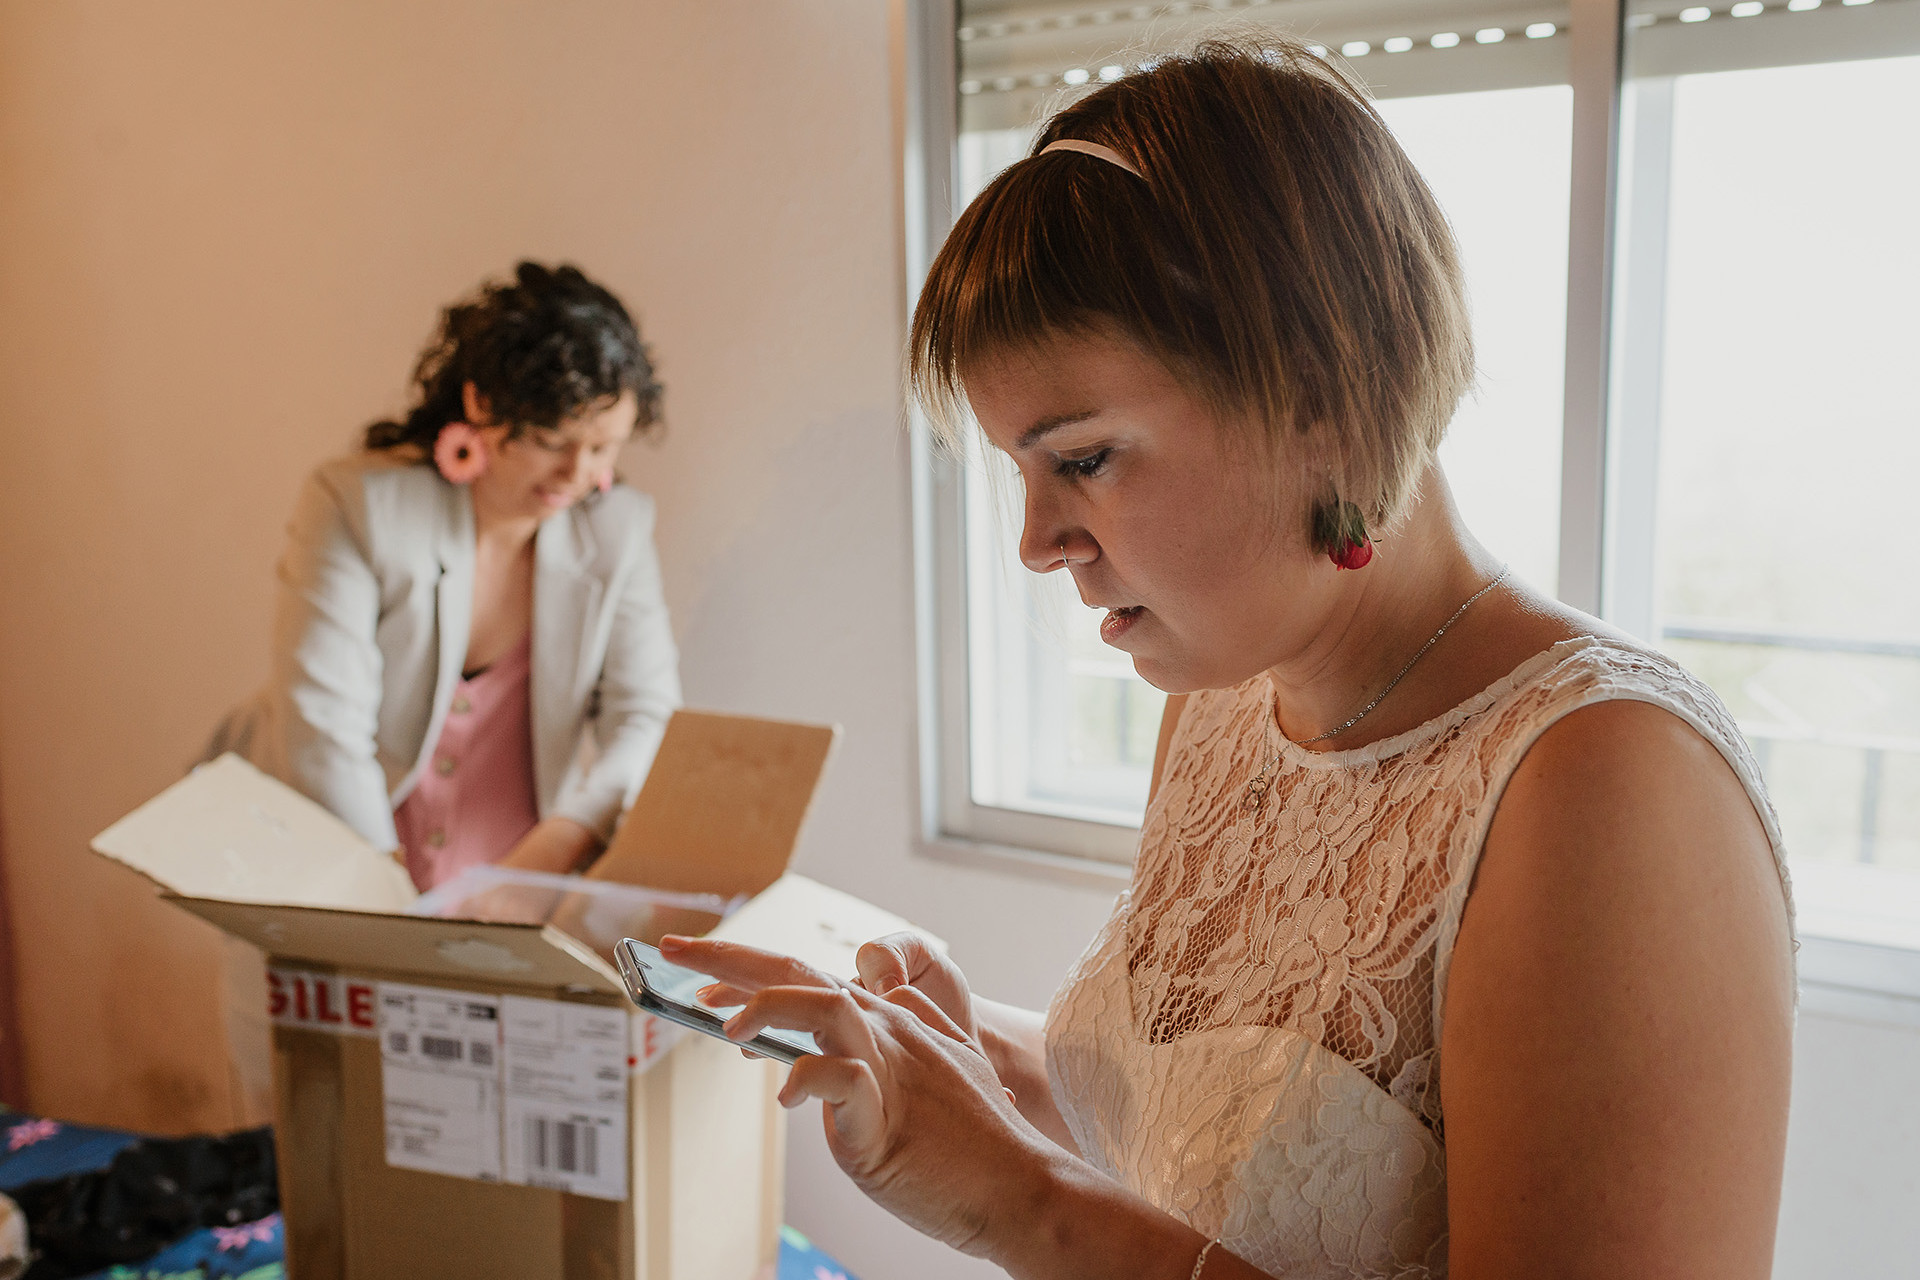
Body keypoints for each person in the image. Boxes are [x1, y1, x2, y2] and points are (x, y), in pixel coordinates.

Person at [664, 38, 1796, 1280]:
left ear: (1318, 395)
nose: (1037, 543)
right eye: (1020, 472)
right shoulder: (1223, 707)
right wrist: (962, 1055)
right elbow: (1225, 1148)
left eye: (1084, 459)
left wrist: (1022, 1200)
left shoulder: (1604, 782)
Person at [214, 262, 681, 891]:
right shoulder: (358, 504)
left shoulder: (618, 529)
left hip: (515, 874)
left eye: (603, 447)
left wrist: (555, 850)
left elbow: (646, 715)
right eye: (553, 439)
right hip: (336, 848)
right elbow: (323, 726)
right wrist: (383, 900)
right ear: (481, 402)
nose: (577, 474)